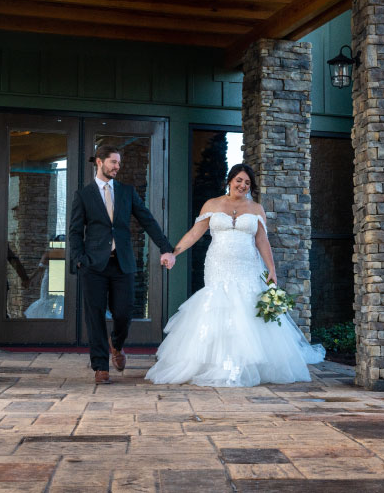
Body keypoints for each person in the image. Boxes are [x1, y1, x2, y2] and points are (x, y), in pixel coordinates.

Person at [146, 163, 325, 387]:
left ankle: (245, 365)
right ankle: (215, 365)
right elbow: (195, 233)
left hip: (248, 266)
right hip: (218, 264)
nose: (242, 185)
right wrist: (173, 253)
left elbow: (262, 240)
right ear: (230, 180)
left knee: (246, 309)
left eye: (247, 183)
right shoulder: (212, 204)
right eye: (239, 180)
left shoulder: (256, 209)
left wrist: (272, 269)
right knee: (219, 306)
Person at [69, 145, 175, 384]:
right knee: (94, 316)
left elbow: (147, 220)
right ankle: (100, 366)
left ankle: (116, 344)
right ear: (100, 162)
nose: (118, 167)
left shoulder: (127, 192)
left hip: (122, 264)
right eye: (113, 162)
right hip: (93, 265)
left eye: (119, 163)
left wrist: (166, 247)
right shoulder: (84, 195)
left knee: (124, 312)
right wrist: (78, 259)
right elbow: (75, 231)